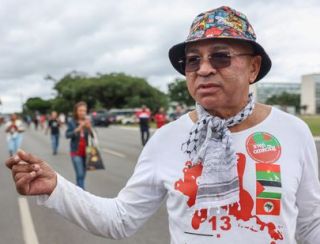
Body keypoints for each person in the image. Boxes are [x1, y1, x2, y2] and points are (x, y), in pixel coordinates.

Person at [5, 6, 320, 244]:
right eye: (193, 60)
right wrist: (57, 188)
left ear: (253, 67)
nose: (204, 69)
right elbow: (121, 219)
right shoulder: (167, 139)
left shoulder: (292, 132)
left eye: (220, 57)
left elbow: (309, 224)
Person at [65, 101, 93, 189]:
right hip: (76, 152)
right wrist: (78, 129)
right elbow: (67, 135)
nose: (82, 112)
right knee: (80, 174)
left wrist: (89, 128)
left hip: (87, 152)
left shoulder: (88, 121)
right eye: (80, 110)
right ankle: (82, 196)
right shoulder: (72, 122)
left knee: (82, 175)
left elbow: (94, 136)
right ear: (76, 111)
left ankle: (77, 192)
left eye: (84, 110)